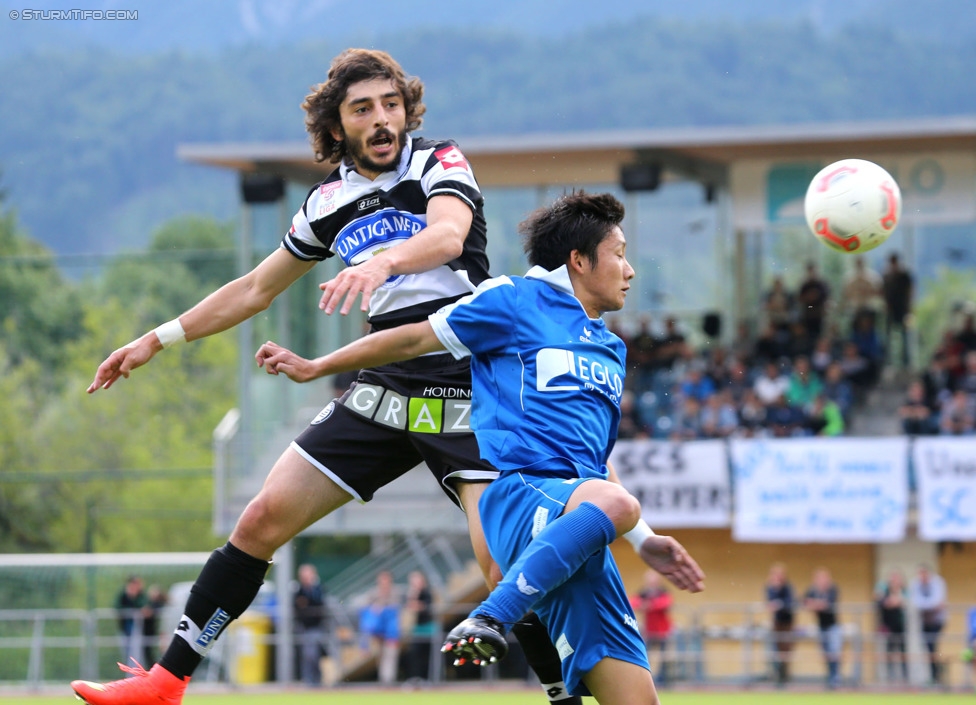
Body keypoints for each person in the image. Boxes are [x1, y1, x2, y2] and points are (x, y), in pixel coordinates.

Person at [72, 48, 582, 705]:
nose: (381, 119)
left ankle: (566, 697)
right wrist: (157, 337)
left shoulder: (438, 161)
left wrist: (382, 265)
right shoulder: (325, 203)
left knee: (500, 567)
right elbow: (255, 288)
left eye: (391, 105)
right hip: (384, 388)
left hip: (465, 386)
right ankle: (165, 683)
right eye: (363, 109)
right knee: (260, 519)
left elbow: (450, 236)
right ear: (336, 126)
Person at [253, 191, 706, 704]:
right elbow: (409, 340)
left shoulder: (610, 347)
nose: (629, 270)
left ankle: (519, 630)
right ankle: (490, 617)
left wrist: (645, 540)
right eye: (619, 253)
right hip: (520, 497)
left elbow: (595, 464)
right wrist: (317, 367)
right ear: (579, 260)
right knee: (619, 503)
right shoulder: (512, 301)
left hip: (579, 521)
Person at [630, 570, 673, 687]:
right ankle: (647, 680)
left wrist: (649, 605)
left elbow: (665, 603)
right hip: (648, 631)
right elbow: (632, 602)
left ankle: (664, 680)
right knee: (645, 656)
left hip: (663, 631)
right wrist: (644, 604)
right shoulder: (644, 592)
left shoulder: (663, 591)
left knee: (664, 657)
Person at [358, 570, 401, 684]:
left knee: (390, 656)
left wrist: (381, 608)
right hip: (377, 632)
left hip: (391, 633)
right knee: (380, 657)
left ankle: (388, 682)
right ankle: (383, 681)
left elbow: (394, 611)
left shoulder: (395, 593)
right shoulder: (373, 593)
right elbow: (366, 612)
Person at [804, 568, 841, 689]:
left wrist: (815, 604)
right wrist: (816, 604)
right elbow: (804, 601)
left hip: (833, 626)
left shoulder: (832, 589)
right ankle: (829, 677)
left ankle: (835, 678)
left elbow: (827, 604)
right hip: (821, 626)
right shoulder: (813, 590)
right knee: (825, 653)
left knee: (834, 653)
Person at [910, 564, 947, 685]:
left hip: (937, 621)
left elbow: (937, 601)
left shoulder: (938, 582)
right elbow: (916, 602)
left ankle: (937, 675)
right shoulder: (915, 583)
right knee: (926, 648)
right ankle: (931, 676)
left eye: (923, 574)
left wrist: (927, 605)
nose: (922, 577)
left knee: (933, 647)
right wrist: (930, 606)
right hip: (924, 621)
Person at [293, 564, 328, 686]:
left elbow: (319, 602)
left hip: (316, 627)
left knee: (314, 654)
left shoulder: (317, 589)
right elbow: (298, 605)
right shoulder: (299, 590)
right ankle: (308, 680)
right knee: (307, 655)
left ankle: (316, 679)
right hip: (304, 627)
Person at [875, 569, 908, 683]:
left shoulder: (904, 591)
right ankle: (889, 678)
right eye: (893, 579)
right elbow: (879, 602)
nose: (894, 581)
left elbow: (905, 602)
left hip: (901, 626)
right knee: (889, 652)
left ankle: (905, 678)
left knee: (903, 652)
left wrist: (897, 601)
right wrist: (890, 602)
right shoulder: (884, 591)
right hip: (888, 626)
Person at [764, 563, 794, 687]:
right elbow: (769, 602)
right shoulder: (770, 587)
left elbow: (789, 602)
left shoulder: (787, 587)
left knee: (785, 651)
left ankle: (784, 677)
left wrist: (779, 604)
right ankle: (776, 676)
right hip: (776, 623)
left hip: (787, 623)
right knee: (774, 651)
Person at [882, 252, 914, 368]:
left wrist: (909, 310)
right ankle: (888, 360)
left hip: (903, 310)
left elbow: (910, 293)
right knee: (888, 337)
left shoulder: (904, 276)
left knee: (904, 337)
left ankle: (906, 361)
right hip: (890, 311)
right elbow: (883, 294)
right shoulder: (886, 277)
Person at [403, 570, 435, 683]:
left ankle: (427, 679)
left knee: (427, 655)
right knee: (414, 654)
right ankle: (415, 678)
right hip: (416, 629)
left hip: (427, 628)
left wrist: (416, 605)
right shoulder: (411, 594)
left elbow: (424, 607)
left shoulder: (427, 593)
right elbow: (409, 607)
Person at [116, 576, 147, 667]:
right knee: (127, 652)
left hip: (140, 629)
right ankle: (129, 673)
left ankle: (139, 673)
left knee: (139, 652)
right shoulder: (123, 596)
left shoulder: (141, 596)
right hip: (126, 628)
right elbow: (118, 607)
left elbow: (144, 606)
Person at [142, 585, 168, 667]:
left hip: (160, 632)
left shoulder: (160, 605)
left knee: (163, 651)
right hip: (153, 632)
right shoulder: (151, 604)